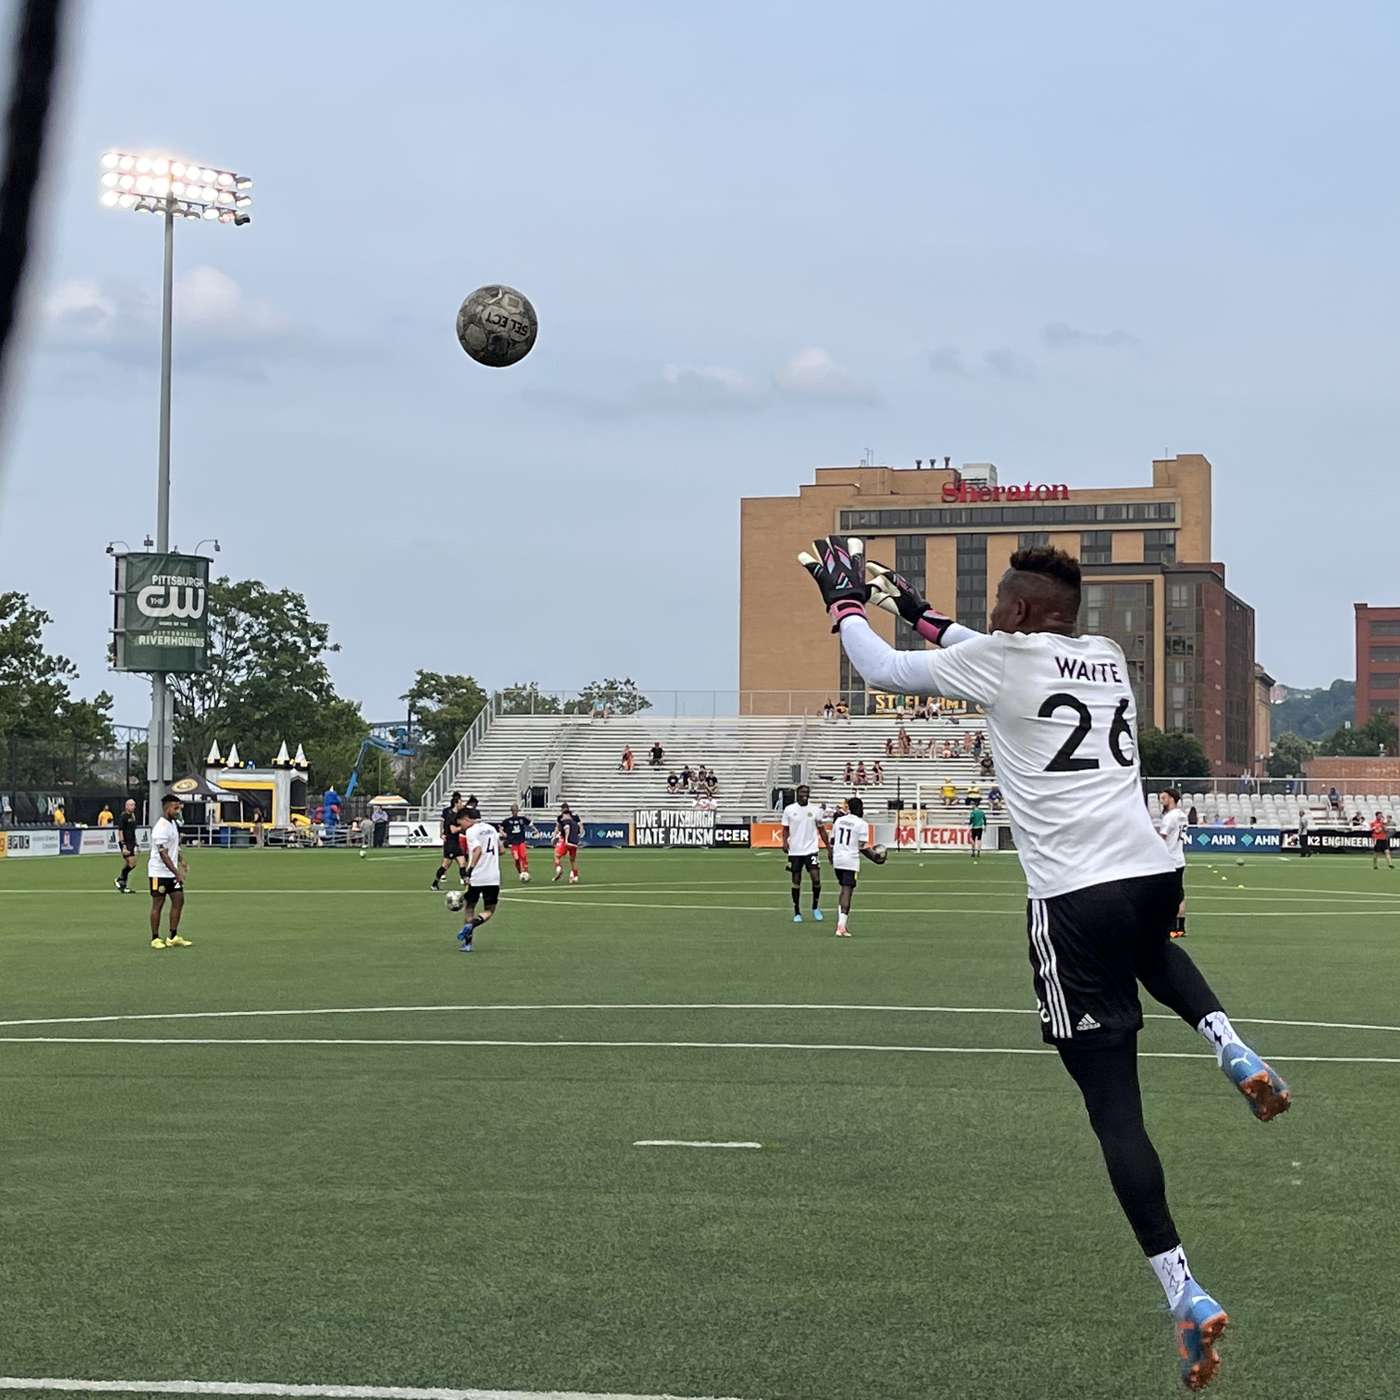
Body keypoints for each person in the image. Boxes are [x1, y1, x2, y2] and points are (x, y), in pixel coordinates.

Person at [802, 536, 1290, 1391]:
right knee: (1153, 954)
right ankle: (1228, 1042)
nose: (990, 614)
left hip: (1074, 897)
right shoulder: (1102, 653)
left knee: (1114, 1110)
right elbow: (971, 646)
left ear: (1022, 614)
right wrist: (915, 610)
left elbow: (880, 672)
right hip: (1148, 872)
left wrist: (847, 606)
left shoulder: (1001, 660)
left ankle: (1184, 1291)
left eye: (998, 603)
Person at [828, 795, 886, 937]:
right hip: (850, 860)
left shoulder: (839, 820)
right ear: (860, 809)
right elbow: (862, 846)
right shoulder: (861, 824)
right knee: (847, 890)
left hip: (838, 859)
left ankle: (841, 923)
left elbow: (833, 840)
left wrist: (831, 856)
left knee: (843, 889)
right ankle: (841, 927)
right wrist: (875, 857)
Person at [147, 793, 191, 949]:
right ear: (167, 808)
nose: (178, 811)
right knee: (158, 904)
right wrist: (176, 872)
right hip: (158, 872)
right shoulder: (160, 827)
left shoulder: (173, 824)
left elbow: (173, 848)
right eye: (175, 807)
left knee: (179, 900)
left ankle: (173, 936)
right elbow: (163, 853)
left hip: (171, 872)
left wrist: (182, 861)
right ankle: (155, 938)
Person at [454, 806, 502, 952]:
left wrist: (469, 870)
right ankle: (473, 924)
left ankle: (467, 944)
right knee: (489, 910)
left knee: (469, 908)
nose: (460, 828)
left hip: (477, 877)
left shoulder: (471, 831)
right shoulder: (491, 829)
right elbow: (501, 850)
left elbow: (478, 850)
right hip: (493, 877)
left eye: (460, 824)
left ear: (466, 819)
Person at [781, 782, 825, 923]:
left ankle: (815, 907)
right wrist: (784, 842)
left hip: (811, 849)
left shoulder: (815, 810)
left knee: (816, 879)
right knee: (796, 881)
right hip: (795, 850)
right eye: (802, 792)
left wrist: (829, 847)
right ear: (797, 794)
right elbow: (786, 829)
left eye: (807, 792)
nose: (805, 795)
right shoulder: (789, 810)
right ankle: (797, 911)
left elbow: (821, 829)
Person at [1159, 789, 1189, 938]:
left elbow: (1162, 838)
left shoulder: (1169, 818)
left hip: (1169, 860)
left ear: (1171, 798)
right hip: (1179, 858)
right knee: (1179, 894)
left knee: (1167, 895)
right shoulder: (1182, 816)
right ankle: (1181, 927)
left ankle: (1170, 927)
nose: (1161, 801)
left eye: (1163, 798)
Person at [431, 792, 468, 891]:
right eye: (460, 802)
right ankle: (434, 884)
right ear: (456, 803)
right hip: (450, 843)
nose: (462, 804)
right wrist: (462, 827)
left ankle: (468, 886)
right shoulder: (451, 815)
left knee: (462, 863)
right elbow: (453, 830)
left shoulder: (457, 814)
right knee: (445, 865)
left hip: (455, 842)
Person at [500, 803, 532, 882]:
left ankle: (525, 872)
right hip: (513, 843)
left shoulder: (522, 819)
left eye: (516, 810)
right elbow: (500, 827)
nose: (515, 812)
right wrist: (503, 834)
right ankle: (520, 873)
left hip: (521, 841)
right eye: (513, 810)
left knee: (523, 856)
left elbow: (530, 824)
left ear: (518, 811)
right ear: (511, 811)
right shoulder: (507, 821)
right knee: (517, 858)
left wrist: (536, 831)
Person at [113, 797, 139, 893]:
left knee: (129, 863)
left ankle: (123, 885)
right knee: (132, 863)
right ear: (126, 806)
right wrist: (123, 845)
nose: (133, 807)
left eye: (134, 805)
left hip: (131, 843)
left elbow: (132, 830)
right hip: (125, 843)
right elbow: (120, 831)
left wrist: (135, 842)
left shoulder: (133, 816)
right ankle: (120, 879)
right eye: (131, 805)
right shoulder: (123, 817)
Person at [553, 803, 582, 884]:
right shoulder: (575, 818)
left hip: (565, 840)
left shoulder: (563, 819)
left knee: (557, 855)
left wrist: (555, 836)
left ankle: (559, 868)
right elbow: (580, 828)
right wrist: (578, 837)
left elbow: (563, 828)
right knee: (573, 860)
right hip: (574, 842)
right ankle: (575, 876)